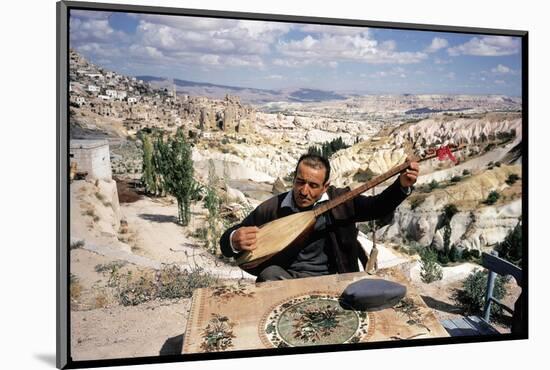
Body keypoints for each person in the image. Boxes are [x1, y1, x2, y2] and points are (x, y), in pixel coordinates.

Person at [219, 153, 419, 282]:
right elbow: (230, 240)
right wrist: (234, 238)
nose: (304, 191)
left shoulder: (342, 201)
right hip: (287, 278)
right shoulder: (274, 208)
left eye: (313, 185)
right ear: (294, 179)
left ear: (325, 186)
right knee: (267, 277)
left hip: (336, 277)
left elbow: (377, 207)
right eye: (300, 182)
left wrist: (402, 186)